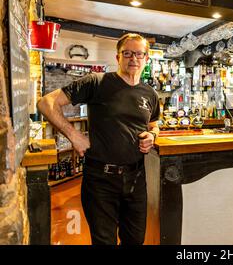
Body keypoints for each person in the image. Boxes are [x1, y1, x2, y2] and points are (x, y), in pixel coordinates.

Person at [37, 33, 160, 245]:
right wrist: (74, 135)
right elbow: (46, 103)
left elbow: (154, 124)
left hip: (136, 178)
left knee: (135, 241)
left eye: (139, 54)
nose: (133, 59)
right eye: (127, 53)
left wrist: (152, 135)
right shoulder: (97, 82)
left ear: (146, 59)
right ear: (118, 57)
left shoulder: (150, 94)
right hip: (100, 180)